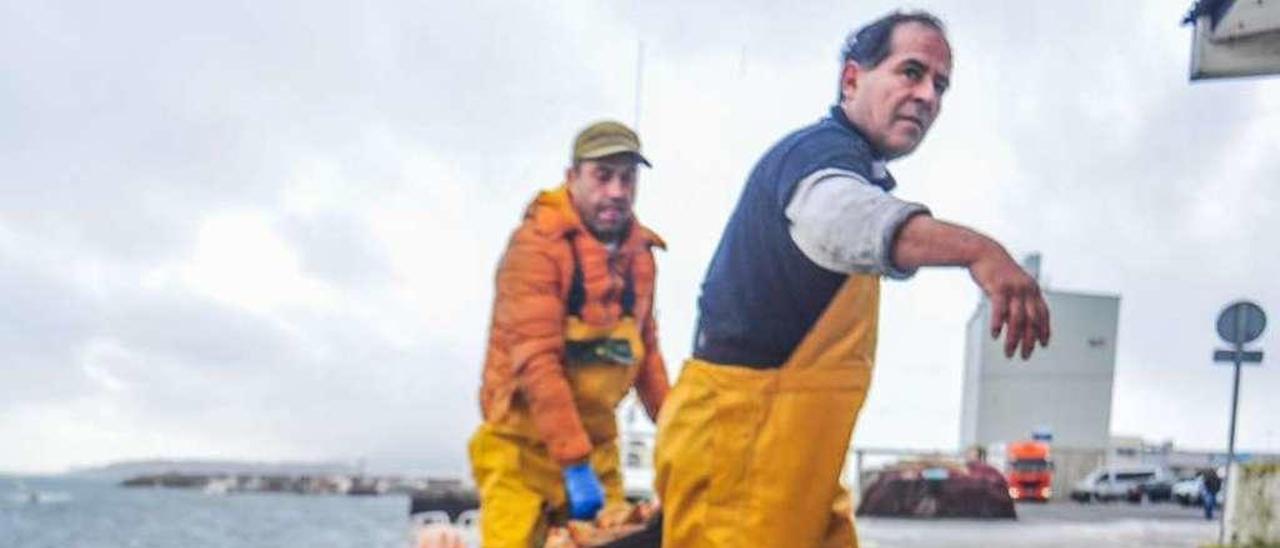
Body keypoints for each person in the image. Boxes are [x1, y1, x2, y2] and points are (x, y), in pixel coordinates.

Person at [653, 10, 1051, 547]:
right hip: (742, 455)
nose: (928, 95)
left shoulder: (857, 171)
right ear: (851, 80)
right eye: (910, 72)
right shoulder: (817, 160)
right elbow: (844, 220)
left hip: (797, 463)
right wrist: (979, 252)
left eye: (940, 85)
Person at [468, 120, 671, 547]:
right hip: (519, 453)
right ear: (572, 177)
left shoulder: (641, 257)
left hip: (598, 448)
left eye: (627, 178)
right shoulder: (534, 249)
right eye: (603, 175)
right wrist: (573, 466)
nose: (616, 191)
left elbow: (646, 355)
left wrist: (678, 433)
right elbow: (536, 362)